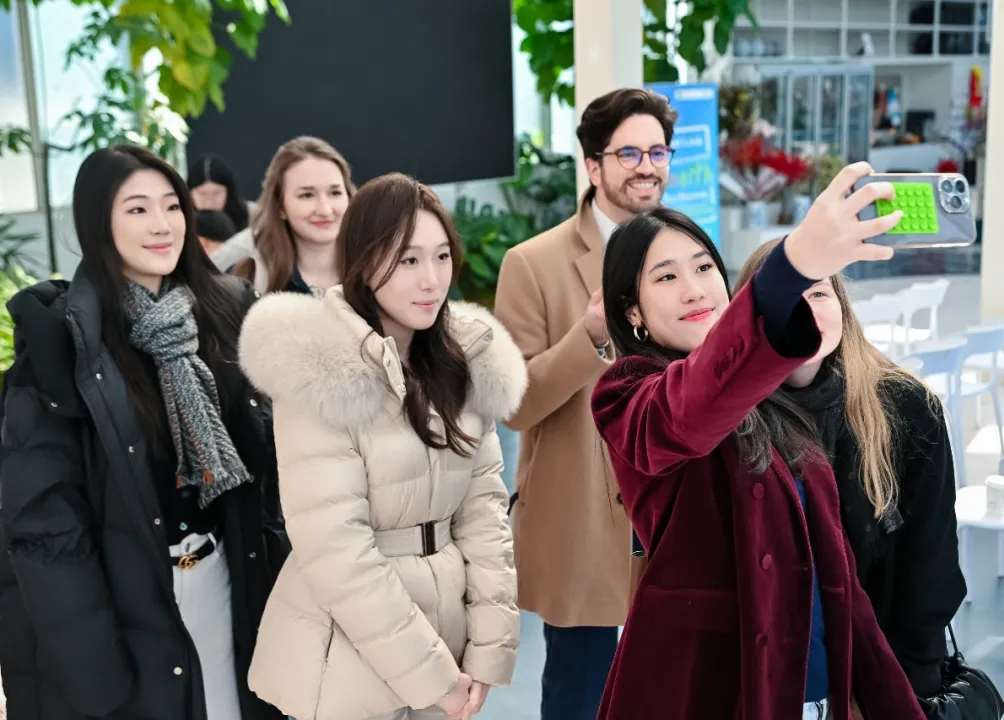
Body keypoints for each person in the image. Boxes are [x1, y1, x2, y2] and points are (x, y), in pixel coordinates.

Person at [590, 163, 926, 719]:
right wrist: (792, 266)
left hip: (810, 682)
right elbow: (693, 405)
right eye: (666, 277)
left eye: (704, 266)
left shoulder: (768, 396)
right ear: (634, 312)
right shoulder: (628, 396)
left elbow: (837, 573)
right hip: (709, 689)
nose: (695, 289)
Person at [0, 145, 288, 720]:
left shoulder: (224, 314)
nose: (162, 225)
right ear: (97, 222)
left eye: (172, 206)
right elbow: (47, 529)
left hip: (227, 581)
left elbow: (267, 476)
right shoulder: (63, 342)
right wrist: (95, 675)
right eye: (137, 209)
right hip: (127, 607)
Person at [240, 172, 524, 720]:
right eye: (408, 260)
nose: (431, 279)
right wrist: (432, 677)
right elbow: (337, 550)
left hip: (449, 642)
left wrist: (489, 650)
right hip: (347, 656)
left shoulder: (462, 359)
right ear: (365, 262)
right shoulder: (323, 370)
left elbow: (485, 515)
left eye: (442, 256)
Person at [493, 87, 677, 720]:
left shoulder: (685, 254)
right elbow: (514, 404)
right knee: (580, 695)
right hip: (583, 522)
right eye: (629, 153)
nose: (647, 166)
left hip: (673, 509)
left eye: (657, 152)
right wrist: (591, 337)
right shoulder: (532, 263)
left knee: (675, 690)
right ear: (593, 166)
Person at [735, 240, 967, 708]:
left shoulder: (906, 407)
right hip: (776, 675)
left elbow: (931, 564)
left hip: (886, 667)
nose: (806, 310)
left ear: (842, 305)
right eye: (787, 296)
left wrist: (907, 688)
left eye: (819, 293)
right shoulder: (735, 421)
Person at [225, 136, 354, 294]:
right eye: (307, 195)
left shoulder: (373, 276)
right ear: (280, 206)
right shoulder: (248, 281)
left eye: (335, 193)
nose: (325, 210)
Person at [187, 153, 252, 232]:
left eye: (216, 193)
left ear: (228, 192)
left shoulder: (251, 217)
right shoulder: (181, 220)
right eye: (202, 194)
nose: (209, 202)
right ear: (190, 194)